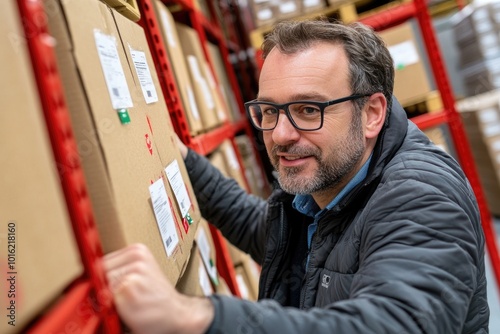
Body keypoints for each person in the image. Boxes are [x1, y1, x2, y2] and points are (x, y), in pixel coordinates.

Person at [103, 19, 489, 333]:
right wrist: (182, 158)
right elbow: (265, 232)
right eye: (269, 111)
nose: (281, 135)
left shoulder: (421, 195)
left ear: (372, 113)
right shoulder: (324, 188)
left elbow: (394, 325)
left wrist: (197, 316)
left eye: (308, 110)